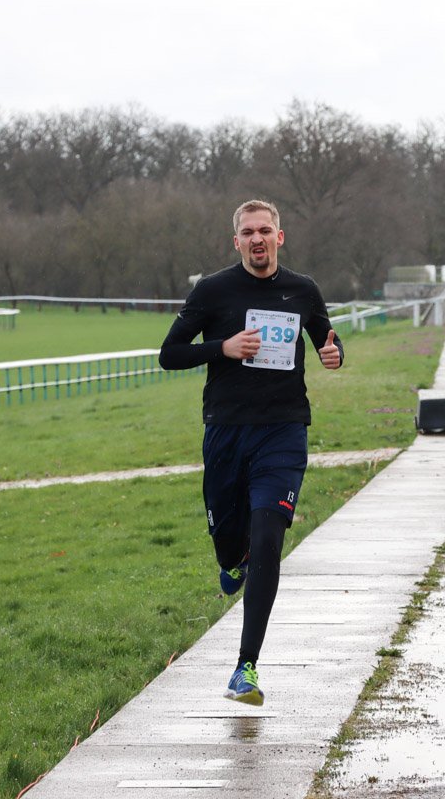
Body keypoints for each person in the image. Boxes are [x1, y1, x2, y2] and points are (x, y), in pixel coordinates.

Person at [159, 199, 344, 705]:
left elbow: (326, 339)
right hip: (226, 431)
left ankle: (246, 667)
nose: (257, 239)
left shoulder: (302, 290)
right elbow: (169, 354)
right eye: (248, 232)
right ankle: (231, 556)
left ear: (279, 237)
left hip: (283, 431)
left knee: (268, 538)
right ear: (236, 241)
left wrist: (334, 353)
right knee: (230, 545)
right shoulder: (213, 290)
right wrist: (222, 348)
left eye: (265, 230)